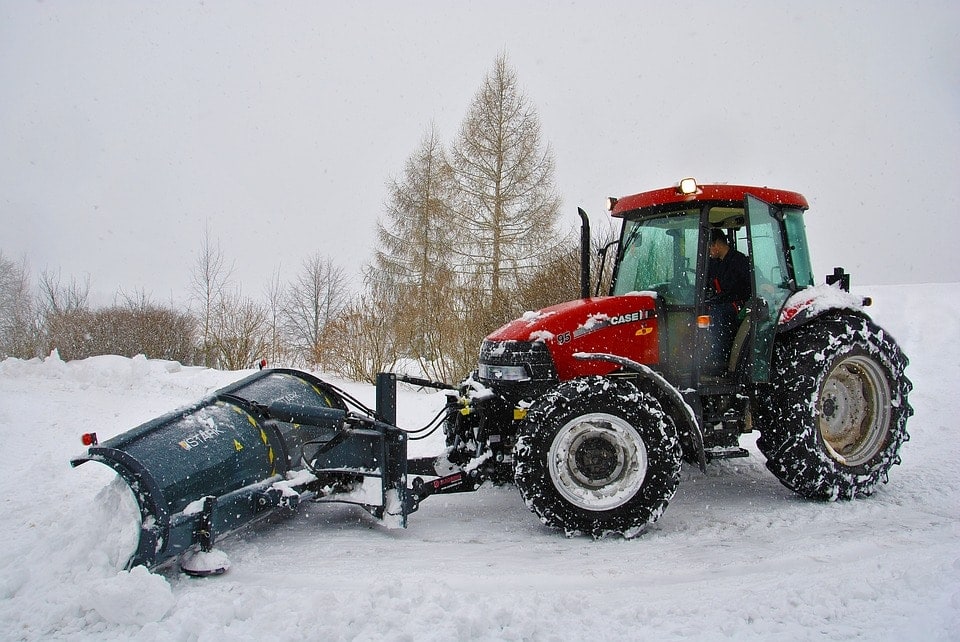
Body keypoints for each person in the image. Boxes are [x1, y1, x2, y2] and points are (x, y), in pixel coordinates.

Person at [705, 228, 750, 372]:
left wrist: (766, 285)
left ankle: (720, 361)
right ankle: (707, 355)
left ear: (716, 245)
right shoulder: (715, 263)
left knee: (718, 315)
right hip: (721, 301)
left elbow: (753, 281)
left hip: (738, 304)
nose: (709, 252)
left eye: (709, 247)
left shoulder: (739, 261)